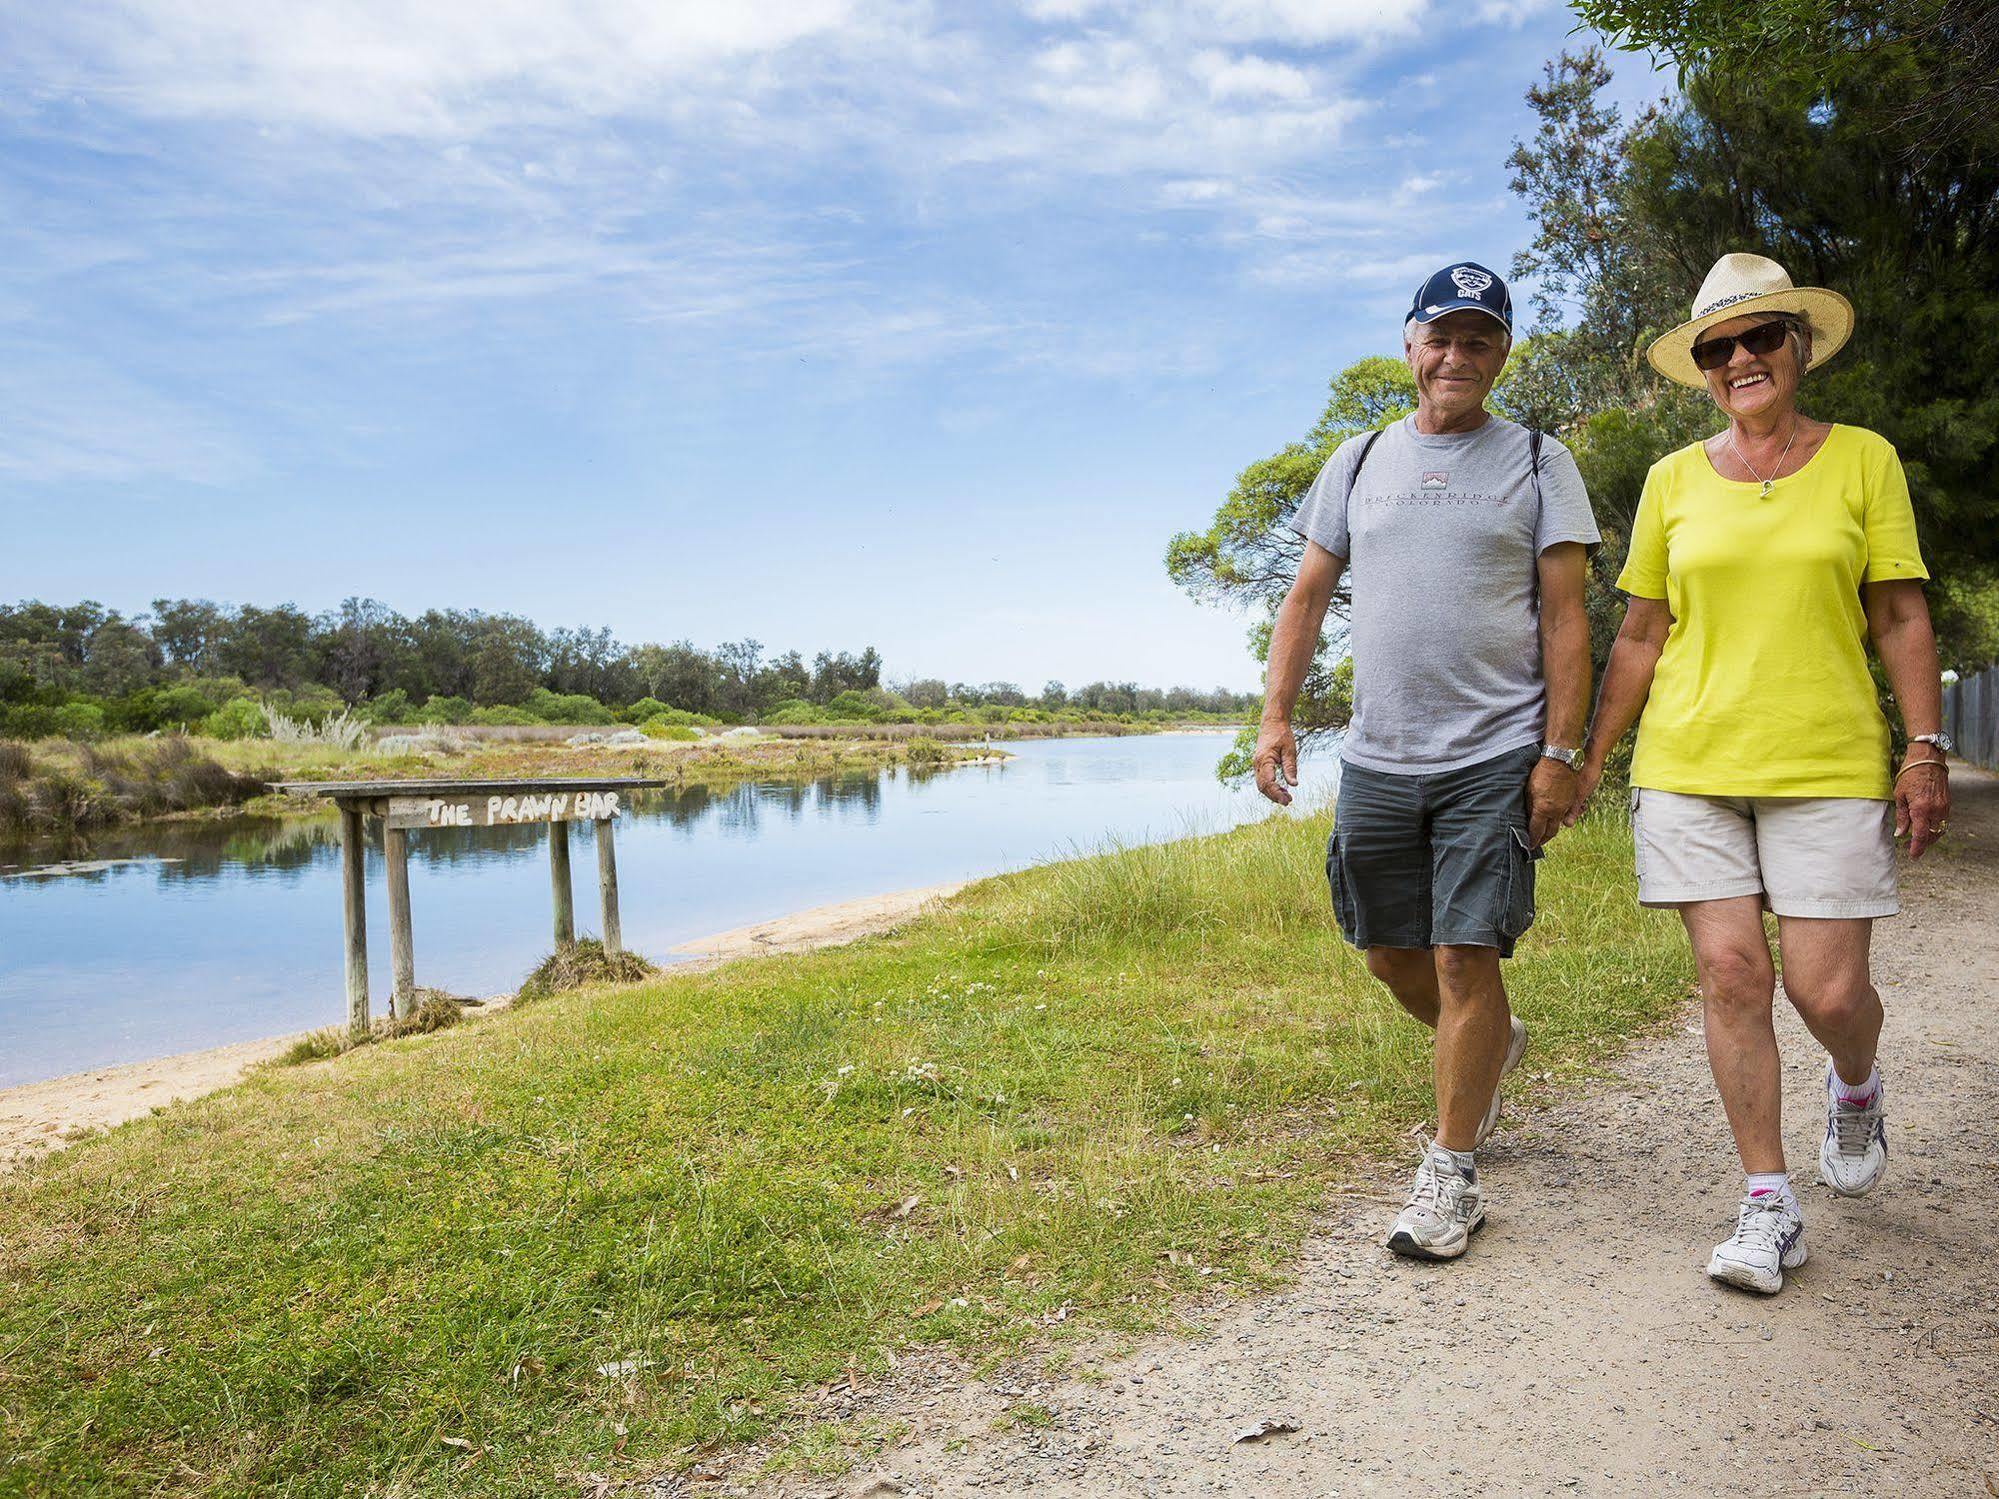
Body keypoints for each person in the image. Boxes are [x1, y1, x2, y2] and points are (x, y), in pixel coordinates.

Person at [1571, 253, 1952, 1295]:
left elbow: (1899, 612)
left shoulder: (1862, 460)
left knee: (1824, 989)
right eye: (1717, 347)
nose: (1741, 356)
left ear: (1799, 346)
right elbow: (1641, 634)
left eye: (1759, 337)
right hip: (1690, 761)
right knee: (1733, 974)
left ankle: (1856, 1079)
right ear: (1701, 370)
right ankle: (1766, 1201)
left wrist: (1922, 746)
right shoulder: (1670, 482)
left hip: (1824, 756)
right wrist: (1588, 756)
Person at [1255, 260, 1599, 1261]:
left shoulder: (1537, 460)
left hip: (1493, 748)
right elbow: (1307, 598)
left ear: (1499, 354)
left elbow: (1564, 616)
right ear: (1409, 344)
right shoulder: (1358, 459)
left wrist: (1560, 751)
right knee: (1388, 952)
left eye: (1478, 339)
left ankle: (1450, 1174)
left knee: (1462, 953)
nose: (1456, 355)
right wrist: (1275, 716)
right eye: (1440, 336)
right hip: (1377, 755)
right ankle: (1493, 1045)